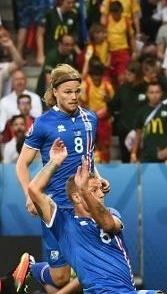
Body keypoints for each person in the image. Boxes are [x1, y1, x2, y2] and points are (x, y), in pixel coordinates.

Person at [15, 63, 103, 293]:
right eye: (67, 92)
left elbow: (88, 157)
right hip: (54, 207)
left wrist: (98, 178)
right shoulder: (43, 123)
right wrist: (29, 196)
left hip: (85, 205)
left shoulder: (90, 119)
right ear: (55, 91)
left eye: (77, 91)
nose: (74, 97)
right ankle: (33, 267)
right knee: (60, 277)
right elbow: (22, 164)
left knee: (91, 267)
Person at [27, 143, 161, 293]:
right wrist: (55, 162)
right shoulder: (62, 222)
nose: (102, 194)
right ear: (77, 197)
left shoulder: (111, 213)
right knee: (60, 277)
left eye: (99, 189)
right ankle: (32, 268)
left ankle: (32, 267)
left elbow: (109, 226)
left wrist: (86, 191)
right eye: (94, 190)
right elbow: (34, 190)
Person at [130, 81, 167, 163]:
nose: (154, 95)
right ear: (147, 94)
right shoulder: (142, 112)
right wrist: (133, 153)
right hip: (146, 154)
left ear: (161, 93)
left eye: (157, 92)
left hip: (165, 154)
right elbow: (138, 134)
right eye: (151, 92)